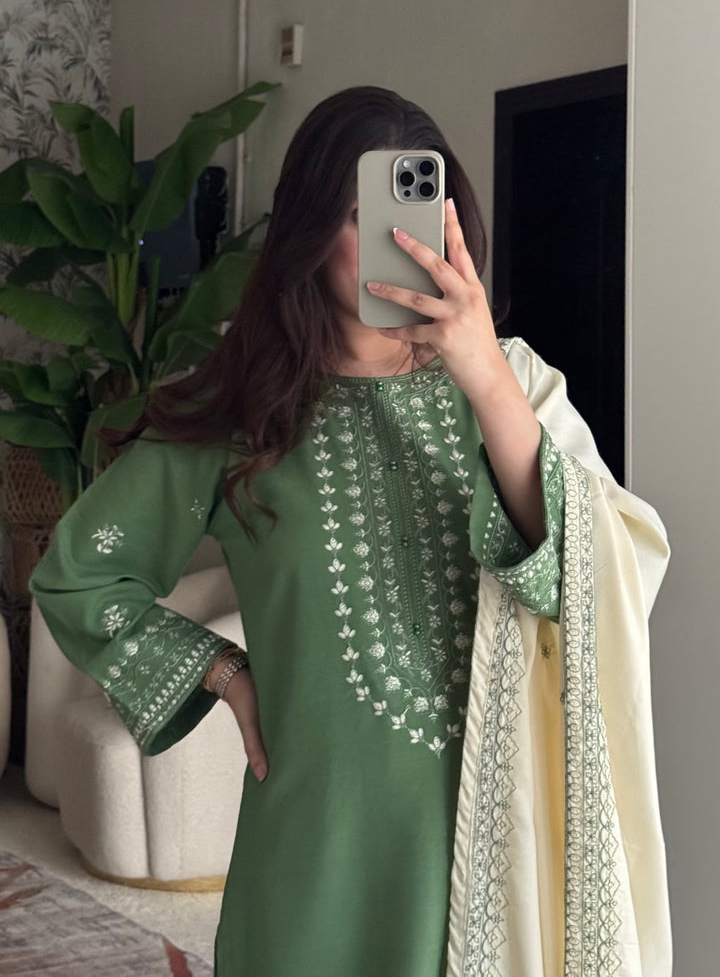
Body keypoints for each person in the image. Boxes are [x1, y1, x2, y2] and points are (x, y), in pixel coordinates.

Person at [28, 86, 671, 977]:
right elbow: (77, 573)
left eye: (416, 212)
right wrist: (221, 672)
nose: (397, 242)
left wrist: (483, 375)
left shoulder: (515, 386)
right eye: (364, 215)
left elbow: (600, 574)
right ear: (306, 229)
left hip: (495, 862)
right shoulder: (245, 414)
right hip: (315, 860)